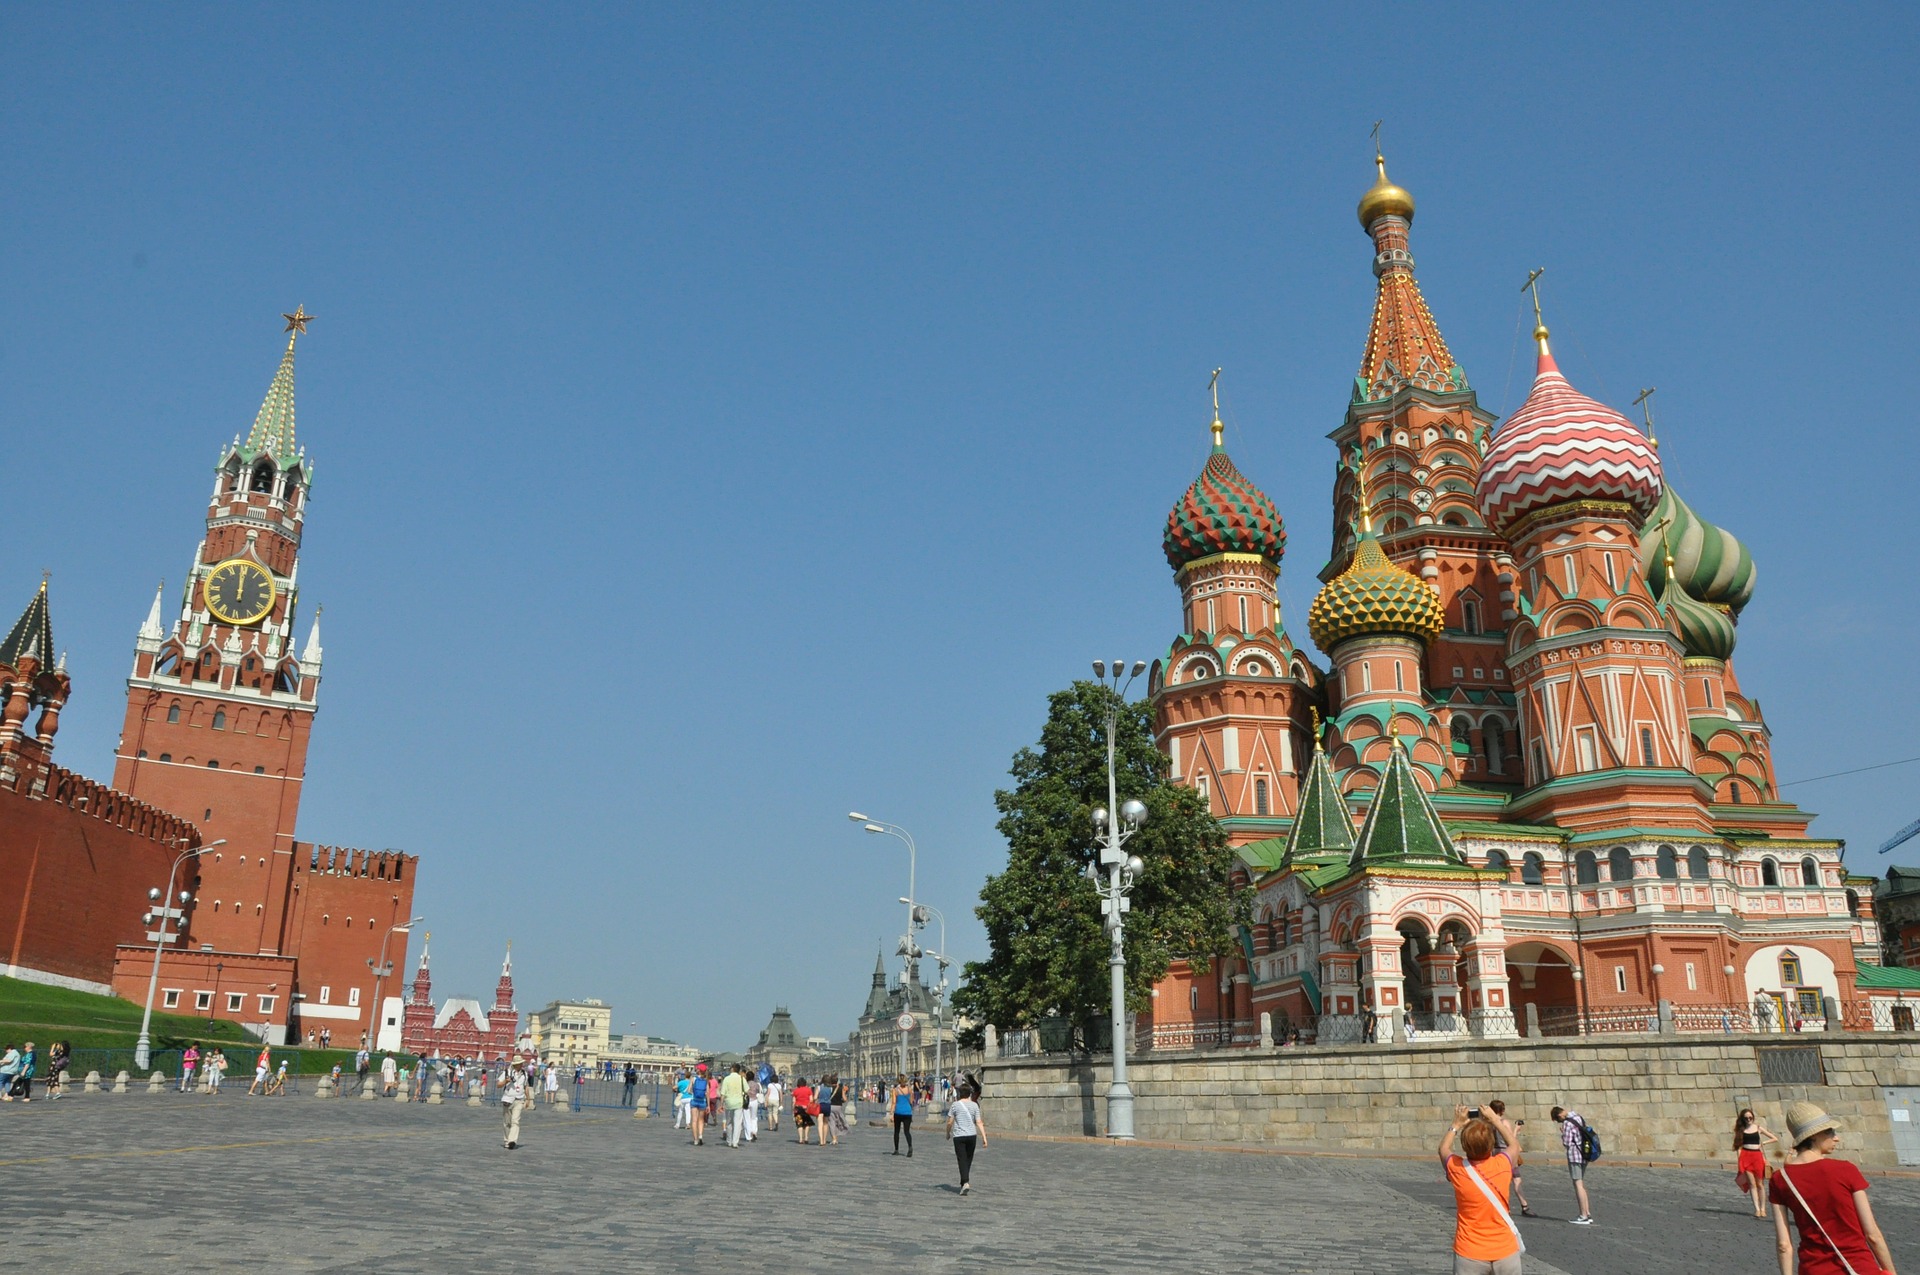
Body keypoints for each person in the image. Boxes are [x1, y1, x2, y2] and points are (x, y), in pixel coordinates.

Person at [1770, 1101, 1897, 1275]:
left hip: (1813, 1269)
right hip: (1859, 1266)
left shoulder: (1780, 1179)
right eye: (1830, 1132)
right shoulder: (1846, 1170)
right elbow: (1872, 1234)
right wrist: (1891, 1271)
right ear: (1813, 1136)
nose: (1836, 1138)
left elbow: (1784, 1245)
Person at [1440, 1106, 1524, 1275]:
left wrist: (1456, 1124)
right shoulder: (1502, 1164)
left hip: (1470, 1252)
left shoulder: (1457, 1169)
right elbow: (1514, 1145)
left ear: (1464, 1145)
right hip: (1505, 1251)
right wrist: (1495, 1120)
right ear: (1491, 1143)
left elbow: (1443, 1149)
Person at [1487, 1100, 1534, 1217]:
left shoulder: (1488, 1124)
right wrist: (1516, 1130)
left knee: (1500, 1181)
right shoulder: (1503, 1122)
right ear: (1502, 1111)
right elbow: (1510, 1140)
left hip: (1494, 1152)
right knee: (1516, 1180)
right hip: (1507, 1153)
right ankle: (1524, 1206)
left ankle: (1502, 1206)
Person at [1737, 1107, 1782, 1220]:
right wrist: (1739, 1160)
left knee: (1760, 1184)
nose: (1748, 1119)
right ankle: (1757, 1209)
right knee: (1752, 1184)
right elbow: (1738, 1147)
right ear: (1743, 1119)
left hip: (1757, 1156)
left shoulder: (1758, 1128)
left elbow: (1774, 1138)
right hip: (1746, 1156)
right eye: (1746, 1118)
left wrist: (1764, 1143)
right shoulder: (1741, 1130)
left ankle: (1763, 1209)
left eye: (1750, 1117)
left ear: (1753, 1117)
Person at [1550, 1106, 1593, 1225]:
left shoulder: (1567, 1124)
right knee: (1581, 1184)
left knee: (1578, 1184)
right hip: (1584, 1154)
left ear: (1559, 1116)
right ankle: (1587, 1213)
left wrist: (1563, 1134)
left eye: (1558, 1120)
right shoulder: (1579, 1117)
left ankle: (1583, 1215)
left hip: (1575, 1156)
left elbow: (1567, 1143)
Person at [945, 1081, 988, 1195]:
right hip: (972, 1136)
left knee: (961, 1159)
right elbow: (979, 1122)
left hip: (959, 1136)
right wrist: (984, 1137)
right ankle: (963, 1182)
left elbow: (950, 1122)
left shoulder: (955, 1105)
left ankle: (965, 1182)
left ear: (959, 1093)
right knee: (968, 1159)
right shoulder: (974, 1105)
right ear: (969, 1094)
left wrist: (947, 1133)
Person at [500, 1059, 527, 1150]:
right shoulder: (507, 1072)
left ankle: (512, 1141)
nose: (521, 1065)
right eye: (519, 1063)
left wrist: (529, 1099)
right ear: (515, 1064)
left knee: (515, 1121)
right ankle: (507, 1140)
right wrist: (506, 1081)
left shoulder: (525, 1074)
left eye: (521, 1063)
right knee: (507, 1122)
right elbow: (498, 1085)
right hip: (507, 1100)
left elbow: (526, 1087)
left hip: (519, 1100)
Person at [721, 1063, 748, 1148]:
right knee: (737, 1123)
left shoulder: (727, 1079)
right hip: (738, 1103)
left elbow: (723, 1093)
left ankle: (729, 1141)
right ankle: (735, 1142)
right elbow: (747, 1090)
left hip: (729, 1103)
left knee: (729, 1122)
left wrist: (721, 1104)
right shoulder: (741, 1078)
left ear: (732, 1069)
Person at [892, 1074, 915, 1157]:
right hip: (907, 1113)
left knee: (897, 1131)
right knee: (907, 1131)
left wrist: (891, 1113)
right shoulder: (909, 1089)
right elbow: (911, 1101)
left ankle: (896, 1149)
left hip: (898, 1112)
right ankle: (910, 1146)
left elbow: (894, 1102)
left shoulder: (895, 1090)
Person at [689, 1064, 711, 1145]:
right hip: (702, 1101)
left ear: (698, 1070)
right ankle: (701, 1135)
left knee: (694, 1120)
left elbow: (689, 1090)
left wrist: (692, 1092)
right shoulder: (706, 1080)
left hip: (694, 1100)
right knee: (701, 1120)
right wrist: (708, 1105)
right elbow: (707, 1093)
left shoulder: (693, 1078)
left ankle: (695, 1140)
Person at [793, 1077, 815, 1144]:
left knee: (799, 1124)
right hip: (806, 1109)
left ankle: (800, 1139)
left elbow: (793, 1101)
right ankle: (806, 1137)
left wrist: (793, 1110)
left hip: (798, 1108)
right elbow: (811, 1100)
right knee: (806, 1123)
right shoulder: (808, 1090)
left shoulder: (796, 1090)